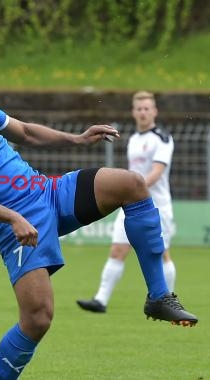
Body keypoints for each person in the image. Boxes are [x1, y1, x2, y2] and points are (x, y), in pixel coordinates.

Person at [0, 44, 198, 379]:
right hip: (12, 227)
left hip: (48, 193)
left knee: (132, 185)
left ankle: (158, 296)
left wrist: (77, 139)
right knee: (38, 319)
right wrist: (12, 218)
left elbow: (27, 132)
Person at [77, 91, 178, 313]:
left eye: (147, 108)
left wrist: (134, 189)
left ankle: (167, 301)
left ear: (154, 111)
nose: (143, 112)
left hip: (157, 206)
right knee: (117, 250)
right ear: (133, 112)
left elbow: (156, 173)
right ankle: (100, 300)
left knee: (161, 253)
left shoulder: (162, 138)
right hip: (131, 206)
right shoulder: (133, 139)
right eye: (139, 108)